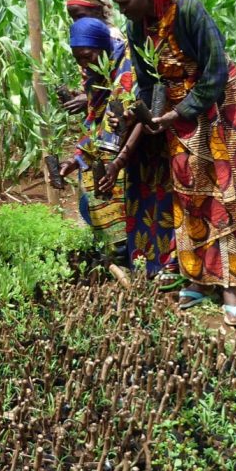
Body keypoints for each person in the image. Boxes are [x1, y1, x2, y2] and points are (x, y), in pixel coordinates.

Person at [107, 0, 236, 326]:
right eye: (118, 4)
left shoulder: (188, 11)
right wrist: (149, 115)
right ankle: (198, 275)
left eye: (126, 1)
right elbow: (150, 84)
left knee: (226, 189)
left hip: (218, 107)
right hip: (178, 114)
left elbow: (214, 70)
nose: (122, 10)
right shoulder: (138, 27)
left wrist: (181, 111)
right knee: (188, 188)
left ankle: (231, 284)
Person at [57, 15, 177, 279]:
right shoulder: (98, 75)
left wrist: (117, 161)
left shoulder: (128, 70)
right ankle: (127, 255)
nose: (84, 64)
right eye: (77, 59)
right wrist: (77, 159)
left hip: (145, 146)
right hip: (118, 149)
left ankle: (162, 265)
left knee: (154, 206)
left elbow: (137, 117)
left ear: (103, 46)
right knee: (112, 193)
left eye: (88, 56)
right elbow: (96, 121)